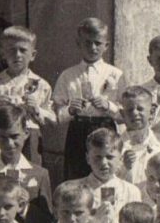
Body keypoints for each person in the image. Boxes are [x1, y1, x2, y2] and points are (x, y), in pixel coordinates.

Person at [53, 18, 125, 181]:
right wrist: (70, 110)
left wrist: (109, 106)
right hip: (78, 130)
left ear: (106, 45)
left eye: (97, 43)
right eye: (87, 43)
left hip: (105, 128)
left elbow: (124, 116)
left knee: (105, 174)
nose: (93, 47)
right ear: (79, 44)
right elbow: (58, 116)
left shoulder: (116, 74)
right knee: (76, 177)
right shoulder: (68, 75)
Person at [0, 25, 55, 164]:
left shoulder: (41, 85)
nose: (17, 55)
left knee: (29, 171)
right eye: (11, 50)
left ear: (33, 55)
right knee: (1, 170)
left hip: (30, 137)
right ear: (3, 54)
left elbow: (52, 120)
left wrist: (36, 109)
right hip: (2, 137)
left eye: (23, 50)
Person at [66, 128, 142, 223]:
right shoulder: (73, 189)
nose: (103, 163)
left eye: (110, 157)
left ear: (120, 159)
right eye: (98, 157)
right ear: (88, 158)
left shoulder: (131, 192)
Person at [116, 86, 160, 190]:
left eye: (140, 109)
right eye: (130, 110)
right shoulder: (115, 146)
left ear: (152, 112)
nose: (135, 113)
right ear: (122, 114)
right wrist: (125, 168)